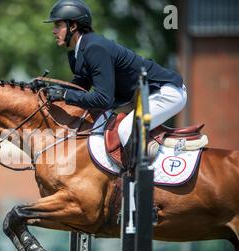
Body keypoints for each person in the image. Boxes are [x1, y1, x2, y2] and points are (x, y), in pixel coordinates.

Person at [44, 0, 187, 165]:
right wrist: (45, 89)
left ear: (73, 26)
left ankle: (143, 183)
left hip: (166, 92)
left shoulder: (94, 48)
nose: (54, 31)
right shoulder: (83, 48)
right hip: (148, 95)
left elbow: (103, 99)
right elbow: (79, 87)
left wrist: (64, 95)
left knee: (125, 129)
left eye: (58, 25)